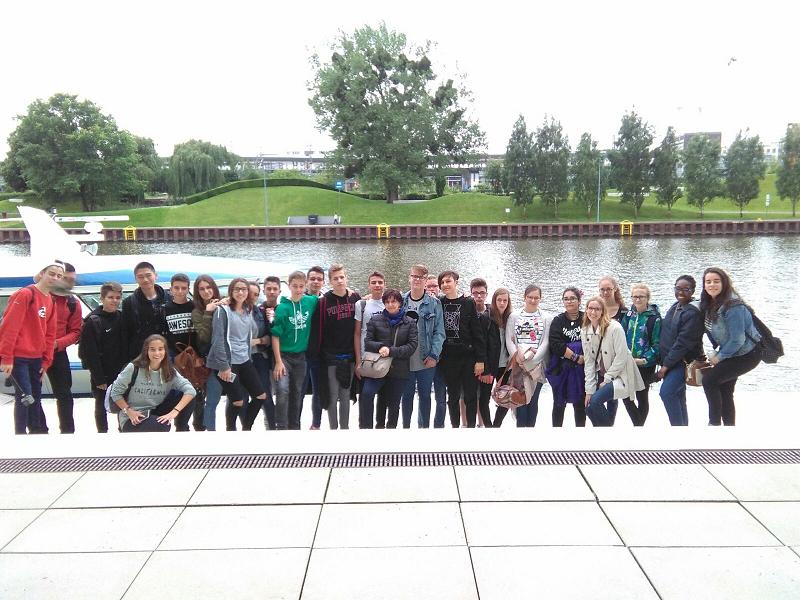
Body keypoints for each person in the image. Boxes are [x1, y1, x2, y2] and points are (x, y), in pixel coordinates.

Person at [0, 261, 64, 434]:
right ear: (42, 273)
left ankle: (36, 433)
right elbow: (9, 326)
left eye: (59, 276)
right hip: (19, 357)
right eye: (51, 273)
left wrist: (46, 361)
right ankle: (20, 434)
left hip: (36, 358)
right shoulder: (25, 294)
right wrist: (6, 357)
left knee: (35, 397)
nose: (55, 278)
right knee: (24, 397)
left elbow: (50, 334)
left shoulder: (51, 300)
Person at [699, 267, 761, 426]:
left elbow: (737, 340)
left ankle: (714, 424)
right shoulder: (711, 302)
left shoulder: (733, 306)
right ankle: (728, 428)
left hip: (747, 354)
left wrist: (718, 357)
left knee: (709, 381)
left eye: (716, 281)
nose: (712, 285)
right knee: (725, 390)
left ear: (724, 283)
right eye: (708, 282)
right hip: (732, 352)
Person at [205, 277, 269, 430]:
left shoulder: (248, 310)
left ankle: (246, 429)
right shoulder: (223, 311)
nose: (240, 292)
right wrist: (224, 367)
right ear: (231, 291)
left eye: (244, 289)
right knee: (237, 401)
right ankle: (231, 431)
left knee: (260, 396)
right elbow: (218, 340)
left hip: (244, 359)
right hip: (227, 362)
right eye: (237, 289)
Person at [109, 334, 196, 433]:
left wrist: (174, 412)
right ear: (146, 351)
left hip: (155, 411)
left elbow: (190, 390)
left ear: (165, 351)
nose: (157, 353)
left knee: (189, 398)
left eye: (160, 349)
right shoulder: (133, 368)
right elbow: (115, 393)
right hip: (134, 416)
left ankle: (181, 431)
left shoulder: (169, 370)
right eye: (152, 349)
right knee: (162, 426)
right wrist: (128, 411)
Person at [309, 263, 360, 430]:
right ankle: (333, 429)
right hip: (330, 357)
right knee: (331, 395)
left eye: (342, 277)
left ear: (347, 278)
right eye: (335, 278)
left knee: (345, 394)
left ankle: (344, 429)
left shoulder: (354, 298)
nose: (339, 281)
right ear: (330, 281)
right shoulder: (323, 303)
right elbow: (317, 331)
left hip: (349, 356)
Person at [582, 297, 644, 427]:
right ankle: (606, 429)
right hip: (602, 372)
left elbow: (621, 356)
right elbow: (589, 362)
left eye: (597, 309)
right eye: (590, 308)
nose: (593, 312)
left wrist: (607, 379)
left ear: (603, 311)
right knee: (588, 406)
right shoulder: (585, 330)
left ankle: (608, 431)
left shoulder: (615, 328)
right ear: (586, 310)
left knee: (595, 402)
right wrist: (589, 390)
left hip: (620, 374)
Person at [360, 289, 418, 428]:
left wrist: (391, 351)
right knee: (367, 394)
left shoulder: (409, 322)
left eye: (394, 301)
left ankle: (390, 430)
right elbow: (368, 342)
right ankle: (367, 428)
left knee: (393, 404)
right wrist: (381, 347)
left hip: (398, 369)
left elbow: (412, 346)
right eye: (387, 302)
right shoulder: (376, 319)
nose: (390, 305)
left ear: (400, 303)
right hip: (377, 366)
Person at [437, 270, 485, 428]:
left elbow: (477, 332)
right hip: (449, 357)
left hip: (468, 356)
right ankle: (455, 427)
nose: (445, 285)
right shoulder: (439, 302)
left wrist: (480, 360)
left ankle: (470, 427)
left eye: (448, 281)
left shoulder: (468, 302)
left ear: (456, 282)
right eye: (442, 282)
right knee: (453, 396)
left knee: (470, 395)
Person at [272, 271, 318, 430]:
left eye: (301, 286)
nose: (298, 290)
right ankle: (281, 426)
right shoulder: (282, 308)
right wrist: (278, 362)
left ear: (305, 286)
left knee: (297, 392)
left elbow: (326, 298)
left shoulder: (310, 301)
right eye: (295, 286)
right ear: (289, 286)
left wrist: (353, 293)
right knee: (282, 390)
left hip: (301, 357)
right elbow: (275, 336)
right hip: (284, 357)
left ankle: (294, 427)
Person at [78, 281, 127, 433]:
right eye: (110, 297)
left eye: (118, 298)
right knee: (101, 405)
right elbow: (89, 353)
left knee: (123, 404)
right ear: (102, 298)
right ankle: (102, 434)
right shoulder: (93, 321)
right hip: (102, 372)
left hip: (121, 371)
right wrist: (99, 378)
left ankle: (123, 430)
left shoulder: (122, 317)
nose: (114, 301)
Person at [400, 264, 445, 428]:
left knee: (425, 396)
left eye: (421, 277)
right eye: (414, 276)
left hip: (426, 359)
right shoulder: (401, 301)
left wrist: (434, 355)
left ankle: (423, 428)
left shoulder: (434, 303)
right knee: (406, 396)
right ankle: (406, 428)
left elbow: (439, 332)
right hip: (405, 360)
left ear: (426, 281)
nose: (417, 280)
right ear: (409, 278)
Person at [657, 275, 704, 426]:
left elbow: (683, 343)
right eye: (678, 288)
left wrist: (665, 366)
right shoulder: (676, 306)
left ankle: (677, 430)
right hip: (670, 361)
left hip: (682, 362)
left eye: (686, 289)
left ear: (693, 291)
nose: (681, 292)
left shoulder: (693, 313)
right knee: (679, 397)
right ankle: (683, 429)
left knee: (667, 393)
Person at [503, 285, 551, 428]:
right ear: (524, 297)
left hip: (537, 365)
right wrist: (517, 357)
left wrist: (533, 360)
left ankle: (531, 430)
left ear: (540, 298)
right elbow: (509, 339)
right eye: (530, 297)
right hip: (518, 364)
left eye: (536, 298)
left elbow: (545, 342)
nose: (533, 300)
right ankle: (521, 430)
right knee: (521, 400)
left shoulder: (546, 318)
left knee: (533, 400)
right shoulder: (514, 316)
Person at [46, 261, 82, 434]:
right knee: (29, 394)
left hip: (57, 352)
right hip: (32, 352)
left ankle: (67, 432)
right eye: (65, 279)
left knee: (64, 395)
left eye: (72, 280)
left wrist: (57, 343)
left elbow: (76, 332)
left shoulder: (73, 303)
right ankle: (38, 431)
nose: (69, 283)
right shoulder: (38, 296)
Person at [619, 283, 661, 427]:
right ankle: (639, 426)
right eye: (635, 296)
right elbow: (621, 335)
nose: (637, 299)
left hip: (645, 365)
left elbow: (657, 344)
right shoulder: (629, 315)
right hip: (627, 362)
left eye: (641, 296)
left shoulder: (654, 318)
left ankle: (638, 427)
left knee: (642, 397)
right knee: (625, 395)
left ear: (647, 298)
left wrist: (643, 360)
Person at [164, 273, 201, 432]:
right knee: (179, 392)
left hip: (194, 356)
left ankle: (199, 426)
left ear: (188, 289)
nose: (180, 291)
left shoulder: (194, 307)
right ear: (171, 289)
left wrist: (199, 356)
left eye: (183, 288)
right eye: (176, 288)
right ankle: (181, 426)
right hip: (174, 357)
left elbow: (200, 333)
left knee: (197, 392)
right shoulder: (164, 309)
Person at [547, 287, 587, 427]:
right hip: (562, 368)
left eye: (572, 298)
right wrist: (576, 356)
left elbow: (592, 341)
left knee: (580, 404)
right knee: (559, 403)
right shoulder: (558, 320)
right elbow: (555, 345)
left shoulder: (586, 318)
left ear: (579, 301)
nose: (569, 301)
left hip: (582, 370)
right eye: (566, 299)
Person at [191, 274, 226, 431]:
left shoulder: (224, 303)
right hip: (212, 361)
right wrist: (208, 312)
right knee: (212, 400)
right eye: (201, 289)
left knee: (239, 398)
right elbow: (204, 337)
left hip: (232, 359)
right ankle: (211, 433)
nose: (206, 291)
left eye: (208, 287)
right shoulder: (197, 312)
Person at [243, 280, 276, 430]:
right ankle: (245, 429)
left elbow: (269, 337)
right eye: (250, 293)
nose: (252, 297)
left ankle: (272, 428)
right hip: (240, 360)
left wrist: (257, 340)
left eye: (256, 294)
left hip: (259, 357)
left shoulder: (260, 312)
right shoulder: (232, 312)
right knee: (241, 398)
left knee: (265, 396)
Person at [354, 271, 385, 428]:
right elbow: (357, 333)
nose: (377, 285)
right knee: (366, 395)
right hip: (367, 358)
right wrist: (358, 361)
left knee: (384, 398)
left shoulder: (390, 302)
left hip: (386, 358)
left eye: (380, 282)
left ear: (384, 285)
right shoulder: (361, 305)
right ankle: (365, 428)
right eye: (373, 282)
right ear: (369, 285)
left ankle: (381, 427)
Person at [121, 261, 167, 360]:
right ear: (135, 279)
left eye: (148, 275)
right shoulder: (129, 303)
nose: (145, 280)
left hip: (166, 353)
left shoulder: (168, 298)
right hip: (141, 354)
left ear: (156, 276)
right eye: (140, 277)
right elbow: (126, 333)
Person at [482, 288, 512, 427]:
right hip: (490, 365)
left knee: (506, 398)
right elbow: (481, 345)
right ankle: (488, 427)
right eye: (499, 300)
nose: (502, 303)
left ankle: (497, 425)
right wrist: (485, 369)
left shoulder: (510, 319)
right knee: (484, 398)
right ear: (494, 301)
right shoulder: (486, 318)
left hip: (506, 366)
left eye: (505, 300)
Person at [471, 277, 494, 427]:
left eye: (482, 293)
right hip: (470, 362)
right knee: (469, 397)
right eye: (475, 293)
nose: (479, 296)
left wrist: (488, 369)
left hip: (488, 363)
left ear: (486, 294)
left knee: (484, 399)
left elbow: (494, 344)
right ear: (471, 293)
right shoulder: (467, 310)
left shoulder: (492, 313)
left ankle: (486, 426)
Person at [425, 276, 448, 427]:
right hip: (424, 358)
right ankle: (423, 425)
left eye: (435, 286)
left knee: (441, 397)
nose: (432, 289)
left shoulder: (444, 301)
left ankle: (439, 426)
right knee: (424, 395)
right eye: (429, 286)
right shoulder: (419, 302)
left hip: (441, 359)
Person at [305, 265, 326, 429]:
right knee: (297, 391)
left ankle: (316, 424)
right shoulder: (299, 299)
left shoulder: (325, 301)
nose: (316, 282)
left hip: (319, 353)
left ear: (323, 282)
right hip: (299, 353)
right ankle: (292, 425)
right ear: (307, 281)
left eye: (319, 279)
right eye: (312, 279)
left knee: (318, 391)